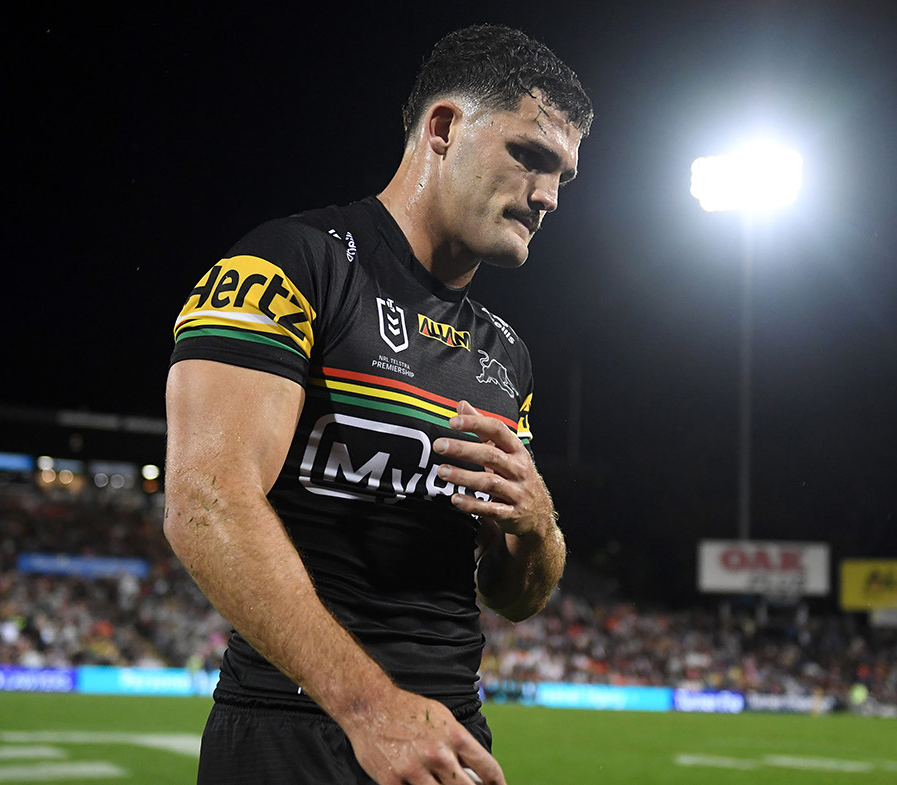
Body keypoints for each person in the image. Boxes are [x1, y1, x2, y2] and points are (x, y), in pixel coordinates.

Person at [163, 23, 592, 785]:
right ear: (444, 127)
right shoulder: (289, 263)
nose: (550, 196)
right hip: (294, 729)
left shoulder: (506, 356)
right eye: (530, 156)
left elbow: (510, 593)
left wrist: (535, 527)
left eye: (565, 176)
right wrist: (370, 707)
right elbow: (206, 501)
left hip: (449, 737)